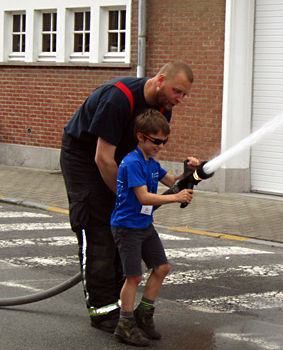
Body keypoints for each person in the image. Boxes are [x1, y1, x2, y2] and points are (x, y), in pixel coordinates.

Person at [59, 60, 195, 333]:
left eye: (184, 95)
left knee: (124, 226)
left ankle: (124, 307)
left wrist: (183, 178)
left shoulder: (161, 109)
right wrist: (125, 198)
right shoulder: (118, 99)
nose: (179, 100)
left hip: (119, 159)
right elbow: (102, 158)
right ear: (159, 80)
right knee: (98, 226)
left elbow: (145, 159)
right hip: (86, 159)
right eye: (176, 91)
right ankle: (101, 310)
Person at [111, 109, 196, 346]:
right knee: (134, 276)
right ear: (141, 136)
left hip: (144, 226)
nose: (161, 146)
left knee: (162, 267)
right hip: (127, 227)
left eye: (164, 141)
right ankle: (125, 324)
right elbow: (144, 198)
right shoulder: (132, 163)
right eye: (156, 141)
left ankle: (143, 314)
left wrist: (192, 173)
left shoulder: (152, 163)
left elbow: (175, 182)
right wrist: (176, 197)